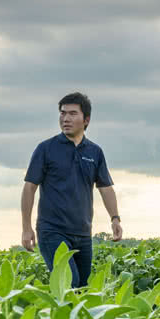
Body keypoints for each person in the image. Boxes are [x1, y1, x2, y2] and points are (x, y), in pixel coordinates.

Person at [21, 92, 122, 287]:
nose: (65, 118)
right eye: (62, 113)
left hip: (83, 233)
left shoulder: (95, 152)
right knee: (69, 284)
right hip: (52, 231)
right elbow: (29, 188)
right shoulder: (46, 149)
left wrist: (115, 218)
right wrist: (26, 228)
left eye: (72, 114)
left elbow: (106, 188)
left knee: (82, 289)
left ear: (86, 120)